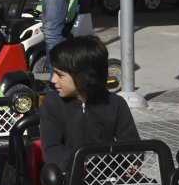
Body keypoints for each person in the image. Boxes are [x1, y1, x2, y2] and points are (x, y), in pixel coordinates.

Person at [39, 36, 138, 173]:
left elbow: (132, 145)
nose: (53, 80)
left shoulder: (116, 104)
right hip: (66, 176)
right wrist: (76, 166)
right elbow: (52, 148)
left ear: (84, 77)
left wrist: (130, 163)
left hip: (109, 176)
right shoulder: (52, 104)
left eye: (59, 75)